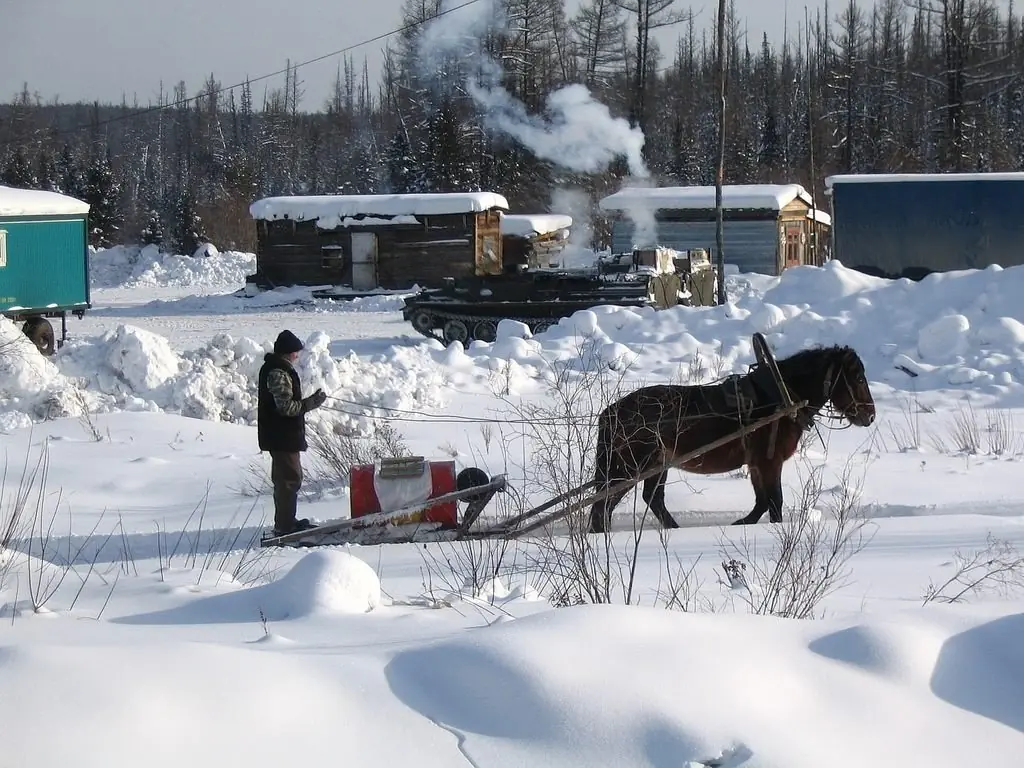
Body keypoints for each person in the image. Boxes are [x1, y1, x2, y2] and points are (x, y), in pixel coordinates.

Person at [257, 330, 327, 536]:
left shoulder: (280, 368)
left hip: (283, 436)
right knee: (288, 480)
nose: (297, 355)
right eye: (295, 352)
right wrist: (311, 403)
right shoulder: (278, 372)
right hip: (282, 437)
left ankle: (286, 521)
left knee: (287, 479)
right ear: (288, 352)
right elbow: (286, 408)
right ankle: (285, 527)